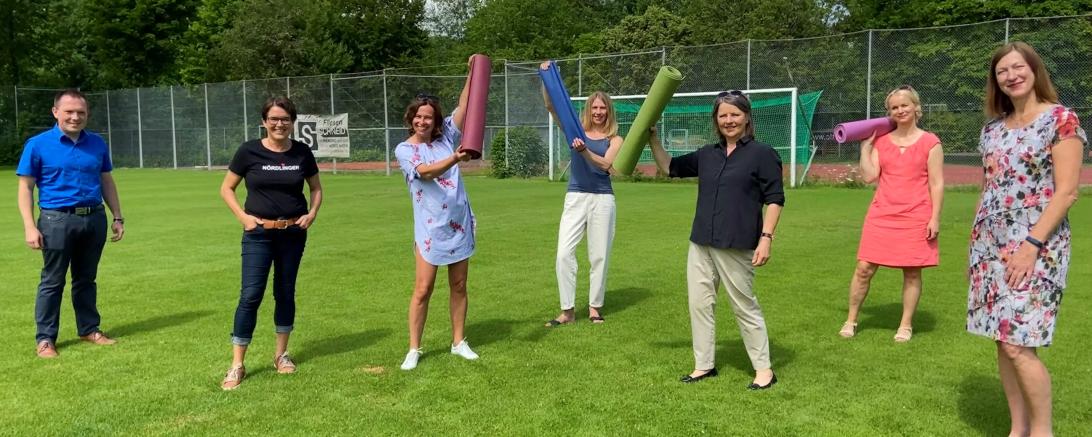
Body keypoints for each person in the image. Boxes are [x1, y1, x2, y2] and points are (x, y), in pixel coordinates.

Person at [968, 42, 1085, 436]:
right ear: (995, 81)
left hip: (1037, 246)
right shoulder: (992, 130)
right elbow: (989, 189)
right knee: (1002, 341)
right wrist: (978, 247)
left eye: (1018, 67)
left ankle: (1042, 431)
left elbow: (1067, 191)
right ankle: (1017, 428)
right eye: (1002, 71)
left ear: (1034, 70)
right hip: (990, 247)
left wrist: (1030, 248)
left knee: (1020, 343)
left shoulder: (1061, 120)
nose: (1011, 75)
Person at [649, 91, 784, 389]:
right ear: (716, 120)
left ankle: (764, 371)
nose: (728, 120)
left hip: (737, 242)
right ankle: (704, 365)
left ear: (747, 117)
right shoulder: (707, 154)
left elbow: (775, 199)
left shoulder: (763, 153)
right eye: (723, 115)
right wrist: (652, 139)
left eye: (734, 114)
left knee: (744, 306)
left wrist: (766, 238)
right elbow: (669, 167)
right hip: (701, 242)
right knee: (699, 304)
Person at [218, 96, 322, 390]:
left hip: (292, 234)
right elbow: (226, 188)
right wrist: (244, 218)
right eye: (274, 119)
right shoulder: (249, 151)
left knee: (285, 292)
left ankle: (281, 355)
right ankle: (237, 364)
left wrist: (312, 214)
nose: (279, 124)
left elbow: (315, 188)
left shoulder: (302, 152)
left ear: (292, 122)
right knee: (250, 294)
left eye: (285, 119)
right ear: (264, 121)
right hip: (258, 234)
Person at [17, 88, 125, 359]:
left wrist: (117, 216)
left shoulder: (97, 143)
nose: (75, 117)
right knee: (52, 281)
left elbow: (106, 181)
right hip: (56, 219)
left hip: (94, 217)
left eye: (81, 112)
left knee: (86, 279)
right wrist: (30, 226)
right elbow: (25, 188)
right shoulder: (38, 144)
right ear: (56, 112)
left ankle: (89, 329)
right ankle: (45, 339)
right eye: (69, 112)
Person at [839, 85, 944, 342]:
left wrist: (935, 218)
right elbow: (869, 177)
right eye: (894, 107)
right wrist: (865, 149)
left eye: (904, 105)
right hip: (881, 215)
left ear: (916, 108)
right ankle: (851, 319)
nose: (900, 110)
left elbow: (937, 184)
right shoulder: (882, 142)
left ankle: (905, 325)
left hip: (916, 215)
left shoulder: (931, 142)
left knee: (911, 272)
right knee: (863, 268)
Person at [394, 59, 479, 371]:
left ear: (436, 120)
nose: (423, 121)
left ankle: (459, 342)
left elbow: (465, 105)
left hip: (460, 224)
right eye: (418, 116)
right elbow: (426, 173)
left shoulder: (445, 138)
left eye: (428, 117)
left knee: (459, 286)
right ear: (411, 118)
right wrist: (456, 159)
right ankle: (414, 348)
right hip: (430, 229)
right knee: (423, 290)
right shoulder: (404, 150)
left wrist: (473, 73)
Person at [540, 62, 622, 326]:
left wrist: (584, 151)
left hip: (602, 199)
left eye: (603, 108)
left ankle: (595, 307)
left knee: (599, 255)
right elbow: (551, 106)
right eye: (594, 107)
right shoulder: (576, 131)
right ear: (588, 110)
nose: (598, 112)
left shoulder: (615, 139)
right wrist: (547, 76)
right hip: (576, 196)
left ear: (608, 112)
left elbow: (607, 165)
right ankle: (567, 311)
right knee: (564, 253)